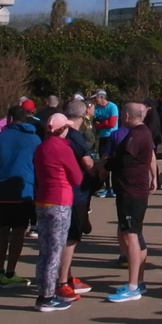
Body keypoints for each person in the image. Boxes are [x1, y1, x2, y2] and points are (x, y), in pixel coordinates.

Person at [0, 105, 41, 287]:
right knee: (19, 232)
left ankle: (0, 271)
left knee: (2, 231)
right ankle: (10, 272)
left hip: (0, 191)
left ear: (9, 119)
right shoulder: (34, 139)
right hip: (23, 190)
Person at [101, 103, 157, 302]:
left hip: (131, 191)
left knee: (131, 236)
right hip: (134, 190)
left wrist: (104, 165)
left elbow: (123, 160)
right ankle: (138, 281)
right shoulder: (143, 133)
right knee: (136, 235)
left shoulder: (137, 134)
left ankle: (133, 286)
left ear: (126, 115)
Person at [32, 112, 83, 312]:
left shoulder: (41, 148)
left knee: (45, 251)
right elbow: (77, 178)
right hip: (60, 201)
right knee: (54, 251)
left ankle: (43, 292)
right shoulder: (63, 149)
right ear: (63, 129)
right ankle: (47, 297)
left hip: (43, 200)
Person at [55, 98, 99, 300]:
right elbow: (88, 162)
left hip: (65, 190)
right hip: (75, 192)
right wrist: (99, 174)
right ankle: (62, 281)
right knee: (70, 238)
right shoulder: (75, 136)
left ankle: (67, 276)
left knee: (68, 236)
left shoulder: (61, 133)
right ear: (85, 114)